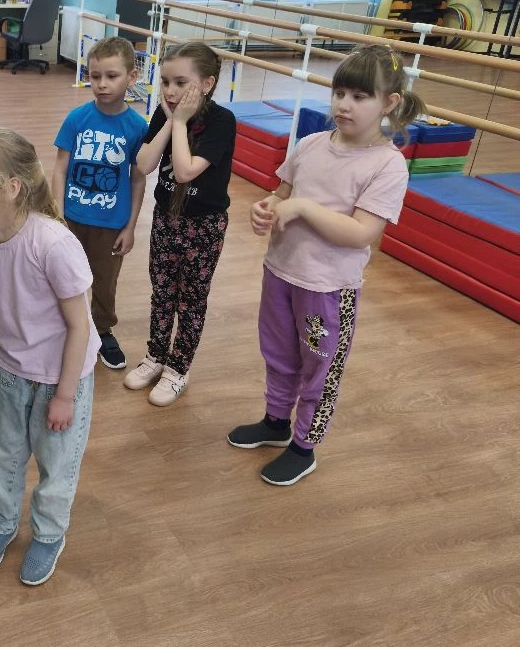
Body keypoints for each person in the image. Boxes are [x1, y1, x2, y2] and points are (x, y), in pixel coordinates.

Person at [228, 45, 422, 486]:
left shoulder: (388, 165)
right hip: (281, 272)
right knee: (278, 353)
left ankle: (304, 446)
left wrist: (301, 208)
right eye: (339, 93)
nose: (344, 104)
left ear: (389, 102)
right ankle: (276, 421)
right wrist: (266, 208)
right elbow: (281, 194)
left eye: (359, 96)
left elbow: (361, 232)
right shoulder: (311, 144)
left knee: (321, 366)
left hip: (328, 289)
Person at [0, 128, 100, 586]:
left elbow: (80, 326)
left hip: (60, 378)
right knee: (1, 456)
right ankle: (3, 523)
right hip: (9, 371)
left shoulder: (52, 243)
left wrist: (64, 395)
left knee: (56, 465)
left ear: (11, 187)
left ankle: (48, 534)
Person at [125, 42, 236, 406]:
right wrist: (171, 119)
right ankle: (156, 356)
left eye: (181, 83)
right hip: (166, 219)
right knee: (161, 292)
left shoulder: (221, 121)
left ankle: (178, 368)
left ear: (207, 84)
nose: (170, 91)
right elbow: (144, 165)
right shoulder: (165, 114)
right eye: (165, 82)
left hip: (204, 226)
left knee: (190, 300)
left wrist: (181, 121)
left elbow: (186, 171)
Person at [51, 36, 147, 369]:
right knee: (63, 278)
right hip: (71, 220)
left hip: (111, 225)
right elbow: (60, 168)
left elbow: (138, 178)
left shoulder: (138, 127)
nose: (102, 84)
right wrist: (57, 214)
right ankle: (64, 328)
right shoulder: (76, 119)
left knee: (105, 283)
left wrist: (130, 227)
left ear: (131, 77)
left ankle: (102, 330)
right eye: (95, 76)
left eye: (111, 76)